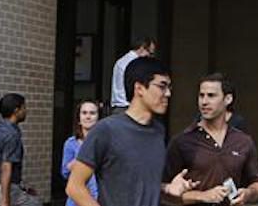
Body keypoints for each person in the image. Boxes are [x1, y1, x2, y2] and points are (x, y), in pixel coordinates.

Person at [67, 57, 195, 206]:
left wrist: (167, 188)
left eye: (169, 88)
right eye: (162, 86)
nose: (167, 94)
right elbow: (75, 187)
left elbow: (136, 184)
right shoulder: (106, 130)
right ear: (139, 88)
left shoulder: (158, 131)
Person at [165, 73, 258, 205]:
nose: (204, 102)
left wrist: (248, 193)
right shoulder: (181, 141)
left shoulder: (243, 141)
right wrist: (202, 196)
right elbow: (163, 191)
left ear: (228, 99)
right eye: (201, 95)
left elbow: (257, 184)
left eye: (211, 96)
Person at [0, 93, 41, 206]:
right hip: (2, 192)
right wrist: (5, 201)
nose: (26, 111)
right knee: (35, 203)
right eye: (24, 108)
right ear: (16, 111)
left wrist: (21, 187)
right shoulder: (12, 135)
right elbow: (6, 167)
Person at [61, 101, 101, 206]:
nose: (88, 116)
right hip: (76, 200)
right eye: (84, 113)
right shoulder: (71, 143)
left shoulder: (104, 143)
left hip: (99, 198)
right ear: (79, 119)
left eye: (92, 113)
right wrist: (82, 159)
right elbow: (65, 172)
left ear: (98, 118)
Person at [110, 37, 156, 114]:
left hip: (119, 106)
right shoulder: (135, 63)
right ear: (142, 48)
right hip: (128, 107)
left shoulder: (121, 61)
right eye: (150, 53)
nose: (150, 57)